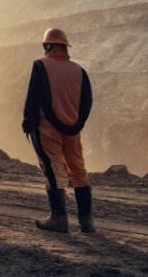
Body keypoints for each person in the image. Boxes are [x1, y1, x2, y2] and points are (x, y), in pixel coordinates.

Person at [21, 27, 95, 233]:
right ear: (65, 47)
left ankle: (59, 218)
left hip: (48, 129)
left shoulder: (40, 66)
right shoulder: (79, 71)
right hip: (73, 130)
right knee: (78, 169)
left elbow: (34, 97)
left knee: (53, 170)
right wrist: (77, 124)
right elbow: (87, 101)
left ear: (47, 46)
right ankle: (87, 221)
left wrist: (28, 123)